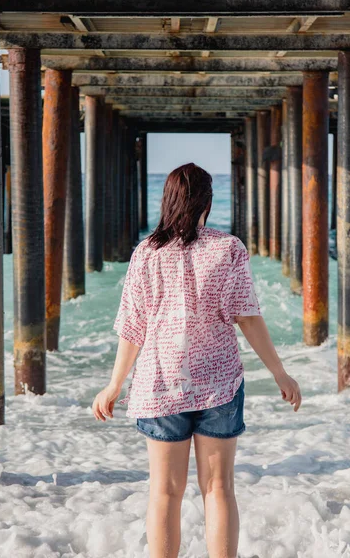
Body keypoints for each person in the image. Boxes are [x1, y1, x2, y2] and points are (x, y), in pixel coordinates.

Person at [92, 162, 301, 558]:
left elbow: (132, 327)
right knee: (218, 488)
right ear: (207, 202)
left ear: (167, 201)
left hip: (160, 385)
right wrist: (280, 372)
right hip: (218, 383)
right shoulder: (228, 248)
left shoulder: (145, 253)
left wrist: (114, 384)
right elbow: (247, 316)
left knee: (165, 492)